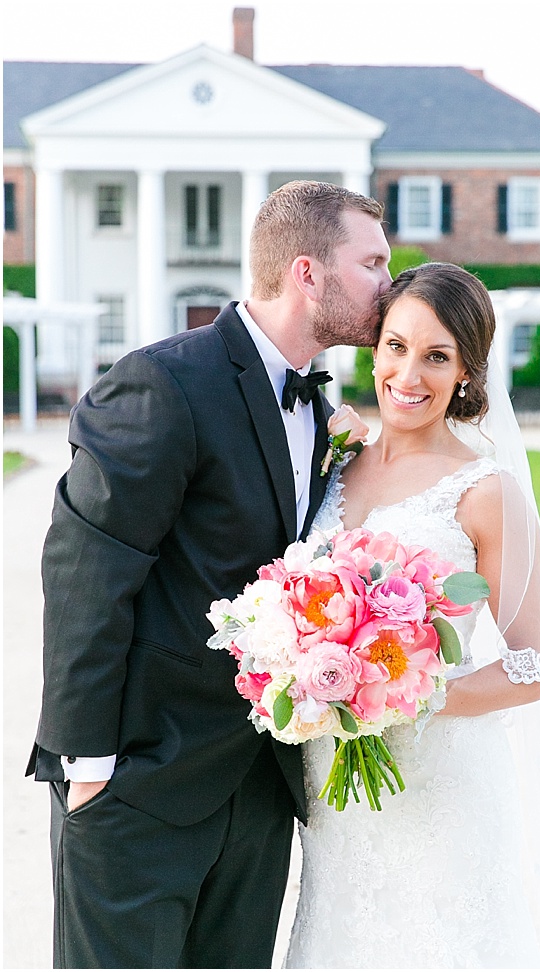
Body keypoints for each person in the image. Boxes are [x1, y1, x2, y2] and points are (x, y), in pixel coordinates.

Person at [26, 179, 392, 969]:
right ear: (307, 271)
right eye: (373, 264)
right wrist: (87, 769)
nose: (389, 286)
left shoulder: (323, 411)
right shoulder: (162, 382)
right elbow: (85, 575)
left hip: (258, 793)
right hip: (139, 785)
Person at [284, 262, 540, 969]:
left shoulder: (486, 491)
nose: (407, 374)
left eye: (436, 356)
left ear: (468, 375)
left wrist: (406, 692)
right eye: (395, 345)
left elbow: (536, 665)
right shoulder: (335, 459)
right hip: (334, 794)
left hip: (439, 787)